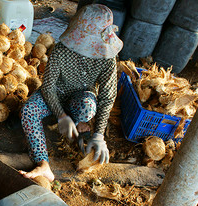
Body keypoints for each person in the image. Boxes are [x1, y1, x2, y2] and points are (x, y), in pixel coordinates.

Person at [20, 4, 123, 182]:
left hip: (81, 96)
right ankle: (43, 163)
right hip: (56, 93)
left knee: (88, 107)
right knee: (28, 111)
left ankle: (78, 124)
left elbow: (107, 96)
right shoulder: (61, 51)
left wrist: (99, 135)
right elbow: (49, 86)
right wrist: (61, 115)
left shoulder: (108, 59)